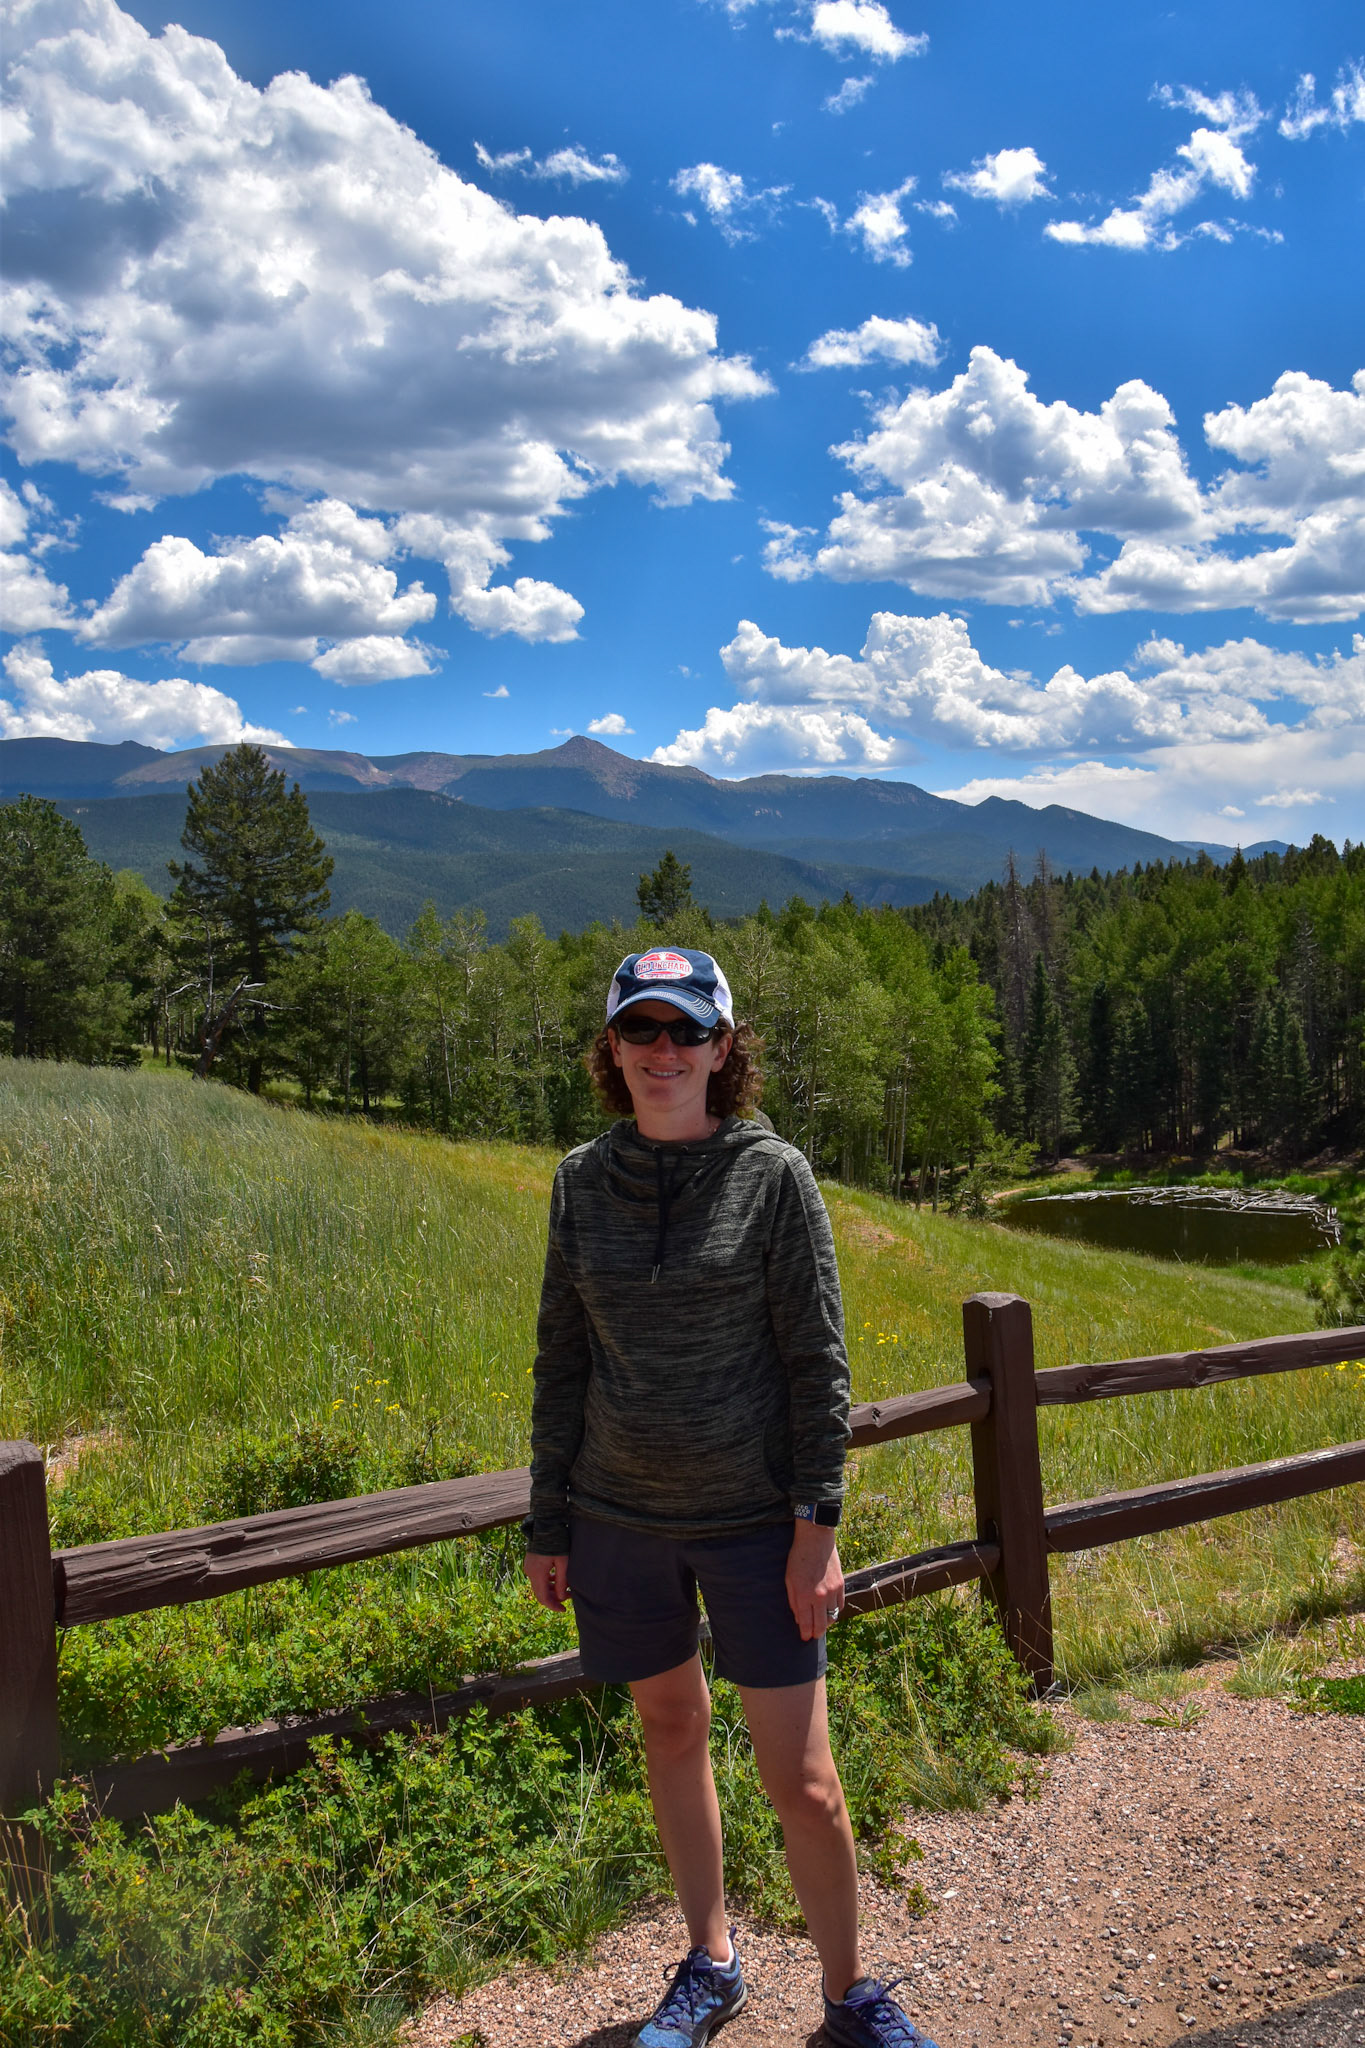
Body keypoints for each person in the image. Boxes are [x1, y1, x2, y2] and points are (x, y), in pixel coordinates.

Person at [523, 946, 939, 2048]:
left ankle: (850, 1993)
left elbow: (817, 1360)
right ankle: (711, 1963)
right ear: (613, 1047)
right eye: (642, 1028)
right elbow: (562, 1359)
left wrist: (817, 1527)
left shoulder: (773, 1175)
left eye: (687, 1030)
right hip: (617, 1521)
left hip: (757, 1526)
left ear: (723, 1048)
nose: (664, 1050)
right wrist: (548, 1519)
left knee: (804, 1780)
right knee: (670, 1730)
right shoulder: (579, 1181)